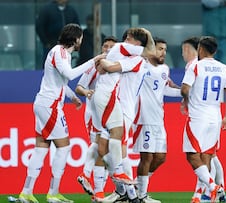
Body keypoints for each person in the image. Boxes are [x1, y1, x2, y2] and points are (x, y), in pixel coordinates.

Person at [17, 23, 104, 203]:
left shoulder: (60, 53)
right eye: (80, 37)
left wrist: (72, 97)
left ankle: (26, 192)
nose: (81, 40)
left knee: (41, 148)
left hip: (44, 103)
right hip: (50, 106)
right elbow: (71, 75)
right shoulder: (60, 52)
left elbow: (61, 82)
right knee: (63, 147)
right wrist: (93, 61)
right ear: (76, 38)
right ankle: (53, 193)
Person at [90, 28, 154, 203]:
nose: (125, 40)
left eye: (129, 38)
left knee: (120, 150)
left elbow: (109, 67)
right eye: (125, 37)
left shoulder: (137, 60)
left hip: (124, 109)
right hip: (113, 105)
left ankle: (129, 194)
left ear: (137, 43)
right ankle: (122, 192)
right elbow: (103, 70)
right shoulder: (126, 55)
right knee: (106, 149)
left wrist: (103, 60)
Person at [181, 36, 226, 203]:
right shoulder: (223, 68)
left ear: (200, 49)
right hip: (215, 117)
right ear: (215, 51)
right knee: (207, 157)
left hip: (198, 116)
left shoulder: (195, 66)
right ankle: (198, 196)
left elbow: (184, 89)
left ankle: (212, 187)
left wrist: (186, 101)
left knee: (192, 155)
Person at [133, 37, 181, 203]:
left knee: (160, 157)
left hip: (159, 120)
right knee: (146, 157)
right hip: (144, 119)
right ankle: (141, 196)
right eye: (160, 49)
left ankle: (136, 187)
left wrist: (183, 93)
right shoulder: (140, 65)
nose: (163, 53)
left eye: (165, 50)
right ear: (151, 50)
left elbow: (163, 90)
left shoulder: (165, 69)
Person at [75, 36, 118, 196]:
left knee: (105, 151)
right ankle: (86, 175)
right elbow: (79, 87)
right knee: (101, 146)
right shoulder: (95, 66)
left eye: (111, 47)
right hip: (95, 113)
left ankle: (98, 193)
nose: (107, 49)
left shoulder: (120, 66)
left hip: (113, 112)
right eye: (105, 46)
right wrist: (86, 92)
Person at [36, 0, 79, 68]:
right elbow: (39, 27)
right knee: (50, 67)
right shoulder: (47, 9)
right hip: (51, 45)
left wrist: (73, 42)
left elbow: (76, 27)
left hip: (67, 46)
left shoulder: (71, 11)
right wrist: (46, 42)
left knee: (65, 67)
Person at [202, 0, 226, 65]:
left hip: (224, 32)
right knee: (211, 61)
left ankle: (223, 74)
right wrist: (222, 2)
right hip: (211, 33)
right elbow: (207, 3)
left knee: (224, 60)